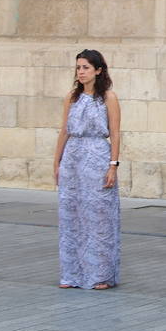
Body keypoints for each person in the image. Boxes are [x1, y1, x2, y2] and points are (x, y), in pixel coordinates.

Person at [54, 50, 122, 290]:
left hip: (97, 156)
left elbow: (114, 133)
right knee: (71, 214)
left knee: (98, 216)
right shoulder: (71, 97)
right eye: (78, 68)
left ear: (98, 70)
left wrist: (113, 165)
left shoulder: (108, 98)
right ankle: (72, 273)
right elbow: (64, 130)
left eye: (85, 67)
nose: (81, 72)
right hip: (73, 157)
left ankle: (100, 274)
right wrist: (57, 162)